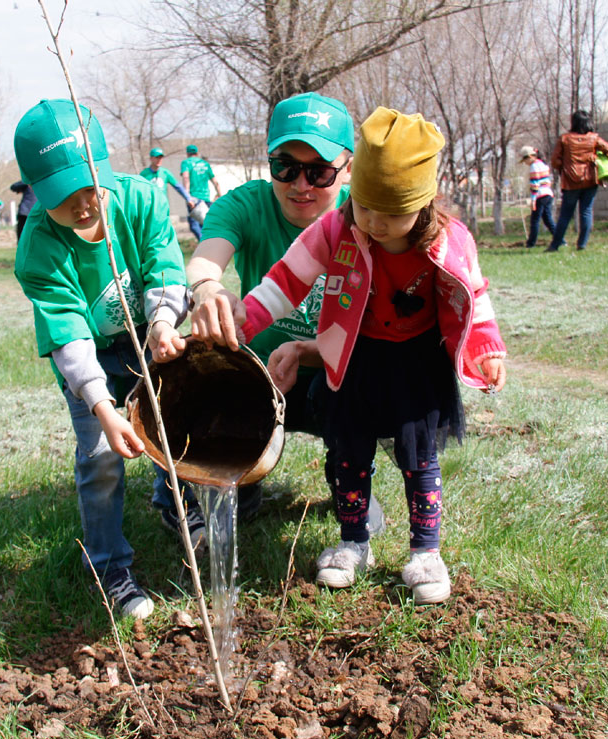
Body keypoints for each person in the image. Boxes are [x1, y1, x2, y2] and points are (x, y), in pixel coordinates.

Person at [236, 108, 507, 603]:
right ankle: (352, 540)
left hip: (417, 363)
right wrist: (247, 319)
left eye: (392, 213)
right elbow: (287, 278)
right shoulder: (338, 228)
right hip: (356, 357)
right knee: (349, 450)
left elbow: (475, 294)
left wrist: (485, 348)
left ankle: (426, 551)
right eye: (365, 208)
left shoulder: (449, 241)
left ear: (422, 205)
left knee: (418, 455)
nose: (375, 224)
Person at [12, 99, 204, 619]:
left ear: (105, 166)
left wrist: (164, 321)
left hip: (146, 332)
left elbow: (163, 262)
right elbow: (69, 333)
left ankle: (177, 503)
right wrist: (102, 405)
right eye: (60, 196)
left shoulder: (140, 199)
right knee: (101, 457)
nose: (80, 205)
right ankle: (109, 565)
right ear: (34, 189)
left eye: (88, 186)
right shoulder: (39, 250)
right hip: (91, 356)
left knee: (171, 422)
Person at [187, 91, 373, 525]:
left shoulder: (367, 219)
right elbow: (204, 259)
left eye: (319, 172)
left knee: (356, 389)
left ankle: (351, 481)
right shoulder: (246, 203)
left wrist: (307, 350)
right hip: (260, 377)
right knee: (194, 378)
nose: (300, 185)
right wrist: (208, 288)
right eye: (285, 166)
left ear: (348, 169)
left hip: (336, 377)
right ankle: (205, 488)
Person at [546, 110, 608, 252]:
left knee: (565, 214)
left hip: (570, 182)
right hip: (590, 180)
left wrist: (564, 166)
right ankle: (582, 244)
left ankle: (555, 245)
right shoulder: (594, 138)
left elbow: (555, 161)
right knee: (586, 212)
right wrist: (596, 158)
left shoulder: (565, 139)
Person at [180, 143, 222, 241]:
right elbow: (216, 182)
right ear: (197, 153)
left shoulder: (186, 163)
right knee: (206, 225)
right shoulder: (205, 164)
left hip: (194, 198)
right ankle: (210, 246)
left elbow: (186, 178)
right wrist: (219, 195)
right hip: (207, 199)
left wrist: (187, 196)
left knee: (194, 225)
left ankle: (206, 245)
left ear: (187, 153)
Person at [519, 145, 556, 248]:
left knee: (535, 220)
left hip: (540, 195)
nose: (525, 163)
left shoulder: (534, 166)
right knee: (548, 219)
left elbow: (535, 184)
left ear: (530, 156)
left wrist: (533, 200)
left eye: (525, 160)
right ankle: (559, 239)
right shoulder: (543, 164)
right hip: (548, 194)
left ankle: (531, 243)